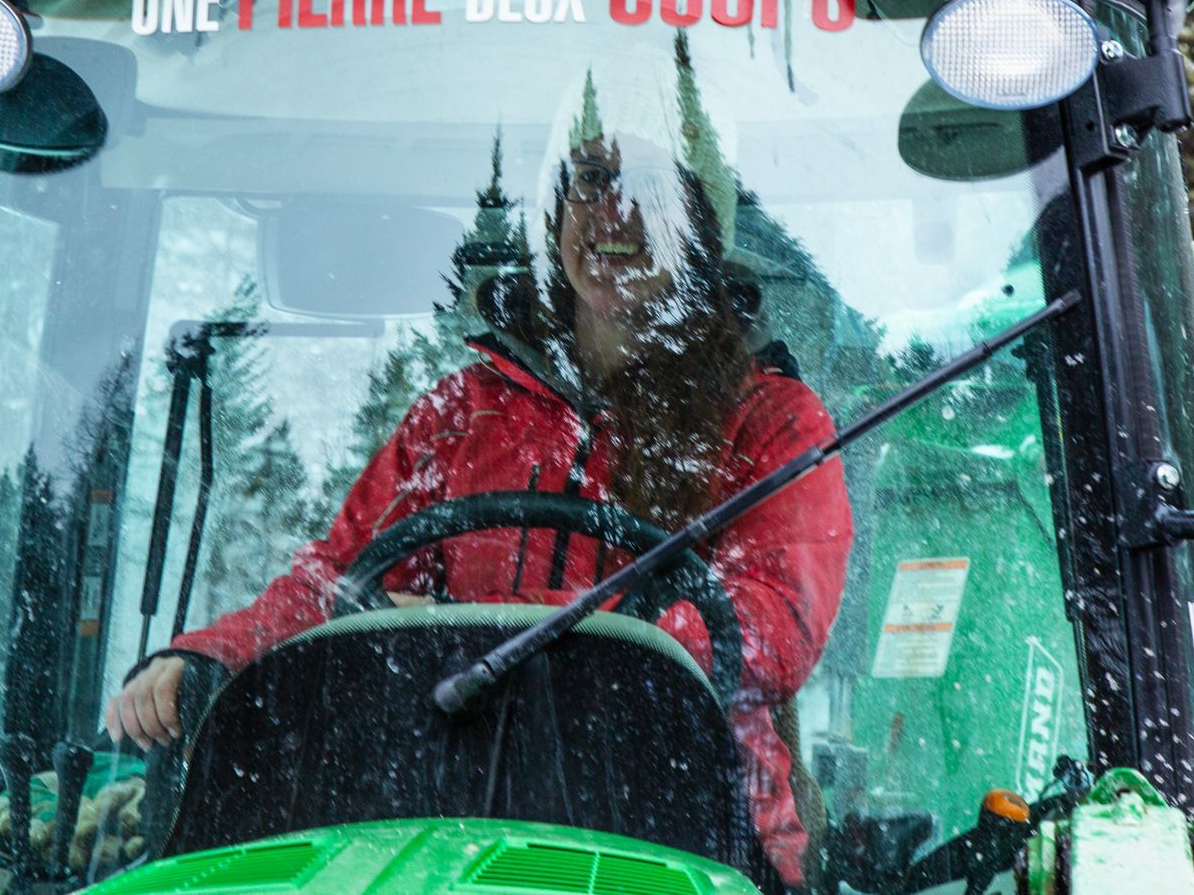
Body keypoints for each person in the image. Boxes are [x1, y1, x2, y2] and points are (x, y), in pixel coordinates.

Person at [108, 50, 853, 889]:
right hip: (446, 812)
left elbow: (764, 628)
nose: (615, 211)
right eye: (590, 179)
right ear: (553, 209)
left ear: (699, 221)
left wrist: (489, 621)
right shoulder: (464, 413)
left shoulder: (770, 423)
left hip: (687, 826)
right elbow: (338, 583)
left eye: (649, 183)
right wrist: (216, 655)